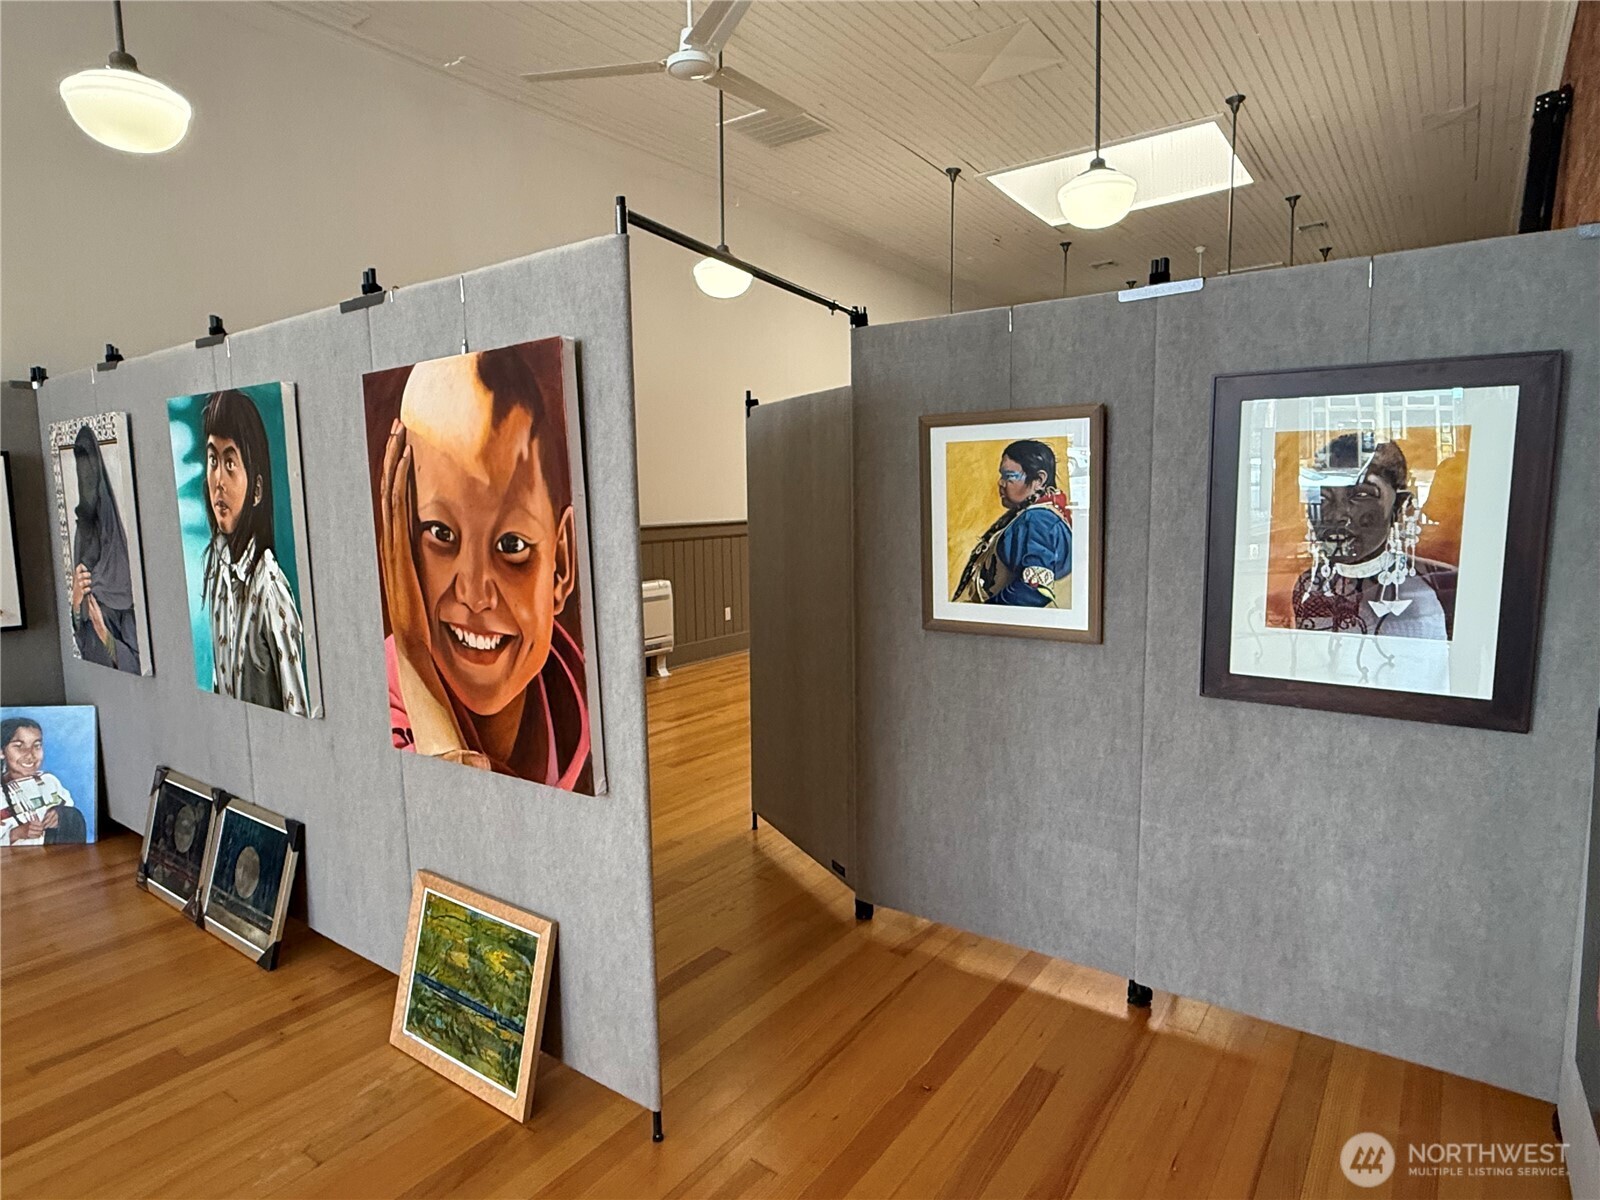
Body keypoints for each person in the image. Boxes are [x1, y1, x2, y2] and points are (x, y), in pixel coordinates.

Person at [377, 345, 592, 789]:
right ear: (400, 545)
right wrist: (414, 653)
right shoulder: (377, 716)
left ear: (563, 561)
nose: (475, 593)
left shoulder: (591, 707)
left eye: (511, 544)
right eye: (440, 533)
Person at [198, 389, 311, 716]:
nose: (218, 481)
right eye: (213, 460)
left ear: (257, 489)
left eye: (230, 463)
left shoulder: (269, 589)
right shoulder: (219, 573)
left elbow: (297, 711)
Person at [1291, 434, 1456, 640]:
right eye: (1323, 497)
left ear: (1399, 506)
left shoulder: (1439, 586)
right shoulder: (1308, 585)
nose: (1337, 515)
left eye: (1361, 495)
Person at [951, 439, 1073, 607]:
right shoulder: (1034, 517)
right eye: (1002, 476)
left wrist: (984, 613)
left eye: (1009, 476)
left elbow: (1035, 590)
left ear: (1039, 479)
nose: (1001, 483)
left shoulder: (1039, 520)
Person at [68, 424, 142, 672]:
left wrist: (103, 631)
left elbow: (137, 664)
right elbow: (80, 639)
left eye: (88, 466)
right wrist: (77, 601)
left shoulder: (119, 570)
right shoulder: (84, 534)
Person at [1, 717, 86, 846]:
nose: (30, 755)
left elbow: (71, 813)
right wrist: (15, 834)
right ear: (2, 752)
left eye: (37, 746)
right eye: (19, 746)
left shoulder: (49, 782)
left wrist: (61, 815)